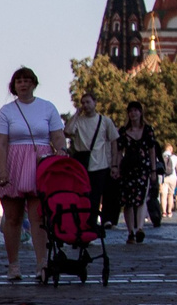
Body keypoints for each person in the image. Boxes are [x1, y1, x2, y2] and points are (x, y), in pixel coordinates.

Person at [0, 70, 65, 283]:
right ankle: (13, 265)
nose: (23, 84)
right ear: (14, 85)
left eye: (27, 81)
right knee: (13, 218)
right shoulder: (6, 111)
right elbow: (1, 143)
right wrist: (3, 170)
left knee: (38, 217)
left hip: (39, 164)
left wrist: (61, 151)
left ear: (34, 83)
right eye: (19, 81)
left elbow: (57, 135)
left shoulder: (47, 107)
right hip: (13, 163)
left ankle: (42, 263)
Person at [64, 96, 121, 236]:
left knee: (96, 195)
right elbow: (68, 131)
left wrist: (114, 164)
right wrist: (76, 114)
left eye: (88, 102)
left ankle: (94, 223)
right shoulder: (79, 121)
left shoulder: (105, 121)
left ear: (95, 103)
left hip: (100, 163)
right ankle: (84, 223)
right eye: (83, 103)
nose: (85, 105)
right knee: (82, 195)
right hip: (82, 162)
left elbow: (114, 141)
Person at [115, 105, 159, 244]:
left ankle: (140, 228)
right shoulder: (123, 131)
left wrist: (153, 170)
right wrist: (116, 167)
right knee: (128, 202)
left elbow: (152, 150)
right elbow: (119, 151)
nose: (133, 113)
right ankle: (131, 232)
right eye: (130, 111)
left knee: (141, 198)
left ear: (140, 113)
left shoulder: (147, 130)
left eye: (136, 110)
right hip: (127, 168)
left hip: (143, 168)